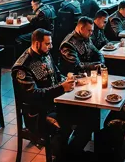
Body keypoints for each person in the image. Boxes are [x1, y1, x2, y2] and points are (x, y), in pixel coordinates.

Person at [12, 29, 91, 160]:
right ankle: (61, 156)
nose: (51, 46)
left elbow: (56, 73)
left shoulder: (46, 53)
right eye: (47, 44)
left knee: (87, 115)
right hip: (38, 114)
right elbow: (33, 95)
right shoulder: (23, 67)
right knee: (71, 121)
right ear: (37, 44)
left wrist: (71, 80)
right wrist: (61, 88)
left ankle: (71, 153)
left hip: (55, 103)